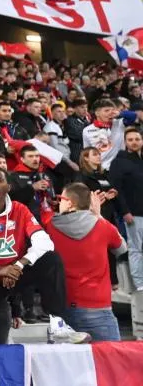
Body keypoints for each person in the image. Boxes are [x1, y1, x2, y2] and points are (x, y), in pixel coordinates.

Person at [0, 168, 87, 344]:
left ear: (8, 186)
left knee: (51, 260)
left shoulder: (20, 210)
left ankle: (57, 325)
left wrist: (19, 265)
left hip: (13, 275)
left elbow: (45, 242)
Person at [41, 183, 126, 341]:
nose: (59, 203)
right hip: (98, 309)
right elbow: (122, 248)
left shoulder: (50, 227)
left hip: (63, 311)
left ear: (70, 203)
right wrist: (98, 215)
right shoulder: (102, 226)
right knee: (110, 363)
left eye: (61, 199)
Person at [109, 126, 143, 291]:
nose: (134, 142)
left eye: (137, 139)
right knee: (136, 249)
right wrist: (125, 211)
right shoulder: (118, 162)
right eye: (130, 140)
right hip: (133, 213)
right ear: (125, 142)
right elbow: (117, 190)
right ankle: (140, 285)